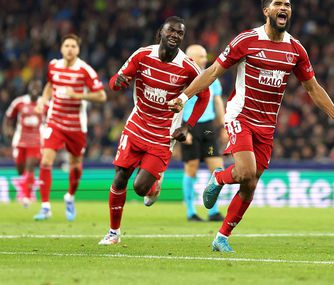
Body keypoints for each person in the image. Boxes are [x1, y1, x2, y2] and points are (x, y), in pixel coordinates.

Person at [168, 0, 334, 252]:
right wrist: (184, 97)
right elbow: (212, 72)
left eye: (288, 5)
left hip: (267, 125)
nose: (284, 8)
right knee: (244, 171)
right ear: (266, 10)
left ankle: (222, 237)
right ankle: (218, 178)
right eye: (279, 4)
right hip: (240, 114)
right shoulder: (246, 40)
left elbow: (313, 88)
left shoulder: (296, 49)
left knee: (250, 183)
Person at [98, 16, 210, 245]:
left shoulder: (188, 66)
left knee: (140, 188)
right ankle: (113, 232)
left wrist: (187, 125)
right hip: (137, 126)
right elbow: (116, 80)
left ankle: (153, 184)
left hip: (163, 134)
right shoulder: (142, 55)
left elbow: (204, 96)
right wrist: (117, 82)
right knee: (120, 178)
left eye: (180, 33)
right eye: (171, 31)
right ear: (161, 32)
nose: (175, 35)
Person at [33, 34, 107, 221]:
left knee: (75, 164)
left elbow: (101, 96)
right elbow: (50, 85)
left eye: (73, 46)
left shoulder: (85, 71)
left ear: (78, 49)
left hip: (76, 126)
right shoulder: (53, 66)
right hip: (55, 121)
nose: (70, 49)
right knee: (46, 159)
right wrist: (43, 99)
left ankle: (70, 197)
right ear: (61, 48)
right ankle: (45, 206)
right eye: (66, 45)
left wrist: (79, 95)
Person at [181, 44, 225, 222]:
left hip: (208, 128)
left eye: (205, 56)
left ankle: (213, 210)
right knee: (191, 169)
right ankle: (191, 212)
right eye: (200, 56)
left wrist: (223, 126)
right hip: (188, 127)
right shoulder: (183, 78)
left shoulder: (213, 77)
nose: (204, 59)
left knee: (217, 168)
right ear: (190, 58)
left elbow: (218, 102)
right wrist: (181, 130)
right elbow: (176, 105)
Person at [3, 80, 44, 207]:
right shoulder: (19, 102)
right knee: (21, 169)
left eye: (38, 87)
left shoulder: (45, 103)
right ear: (29, 87)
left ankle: (26, 196)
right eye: (33, 86)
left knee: (30, 166)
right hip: (20, 140)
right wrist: (7, 129)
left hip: (37, 140)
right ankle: (26, 188)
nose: (35, 89)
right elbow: (8, 117)